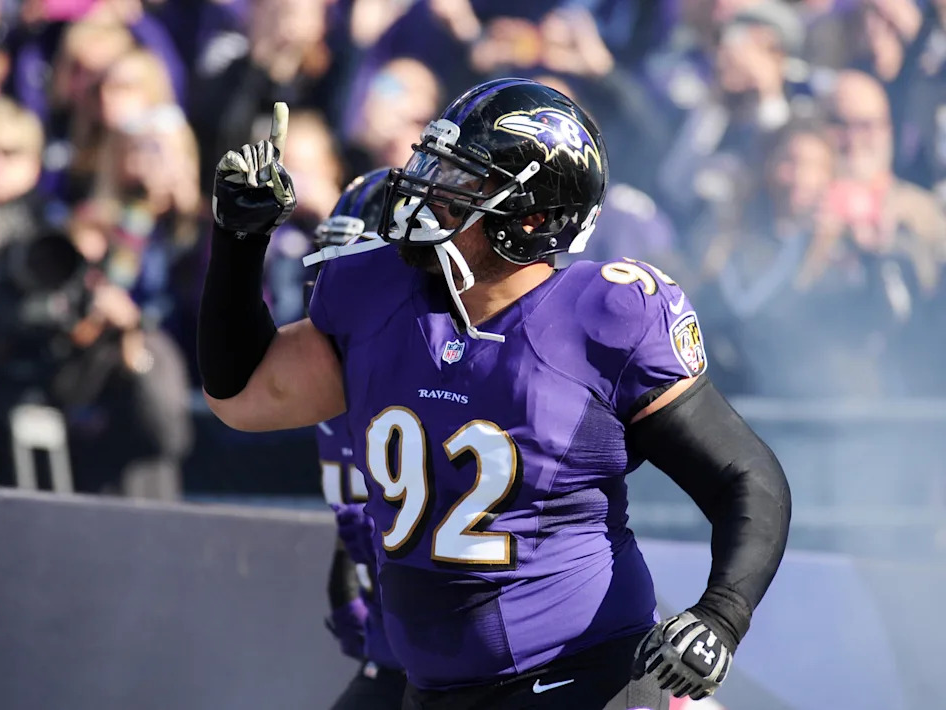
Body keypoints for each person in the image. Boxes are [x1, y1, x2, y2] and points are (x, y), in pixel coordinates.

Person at [198, 83, 791, 709]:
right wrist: (239, 242)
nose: (427, 192)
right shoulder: (379, 294)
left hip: (581, 679)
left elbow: (746, 476)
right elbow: (243, 395)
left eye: (459, 182)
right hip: (434, 689)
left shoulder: (604, 318)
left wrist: (721, 616)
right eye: (434, 164)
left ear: (529, 219)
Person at [309, 169, 407, 710]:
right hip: (401, 651)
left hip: (491, 662)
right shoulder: (329, 380)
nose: (329, 286)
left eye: (352, 265)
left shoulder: (440, 379)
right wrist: (350, 571)